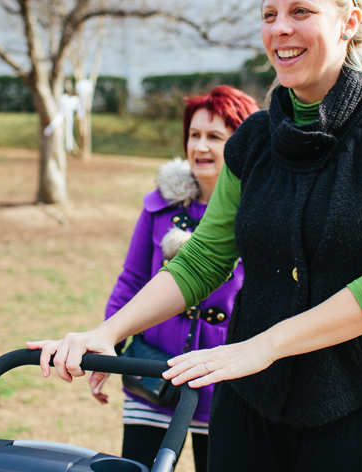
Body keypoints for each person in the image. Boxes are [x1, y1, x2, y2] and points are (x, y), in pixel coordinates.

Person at [28, 0, 362, 472]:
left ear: (351, 22)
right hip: (253, 399)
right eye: (269, 15)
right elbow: (201, 258)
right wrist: (108, 331)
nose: (280, 28)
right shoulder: (253, 139)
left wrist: (266, 345)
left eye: (301, 12)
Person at [94, 85, 257, 472]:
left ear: (242, 144)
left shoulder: (258, 214)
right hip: (153, 374)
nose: (200, 146)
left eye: (215, 137)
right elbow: (131, 281)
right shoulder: (159, 207)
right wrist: (110, 347)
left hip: (226, 382)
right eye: (194, 134)